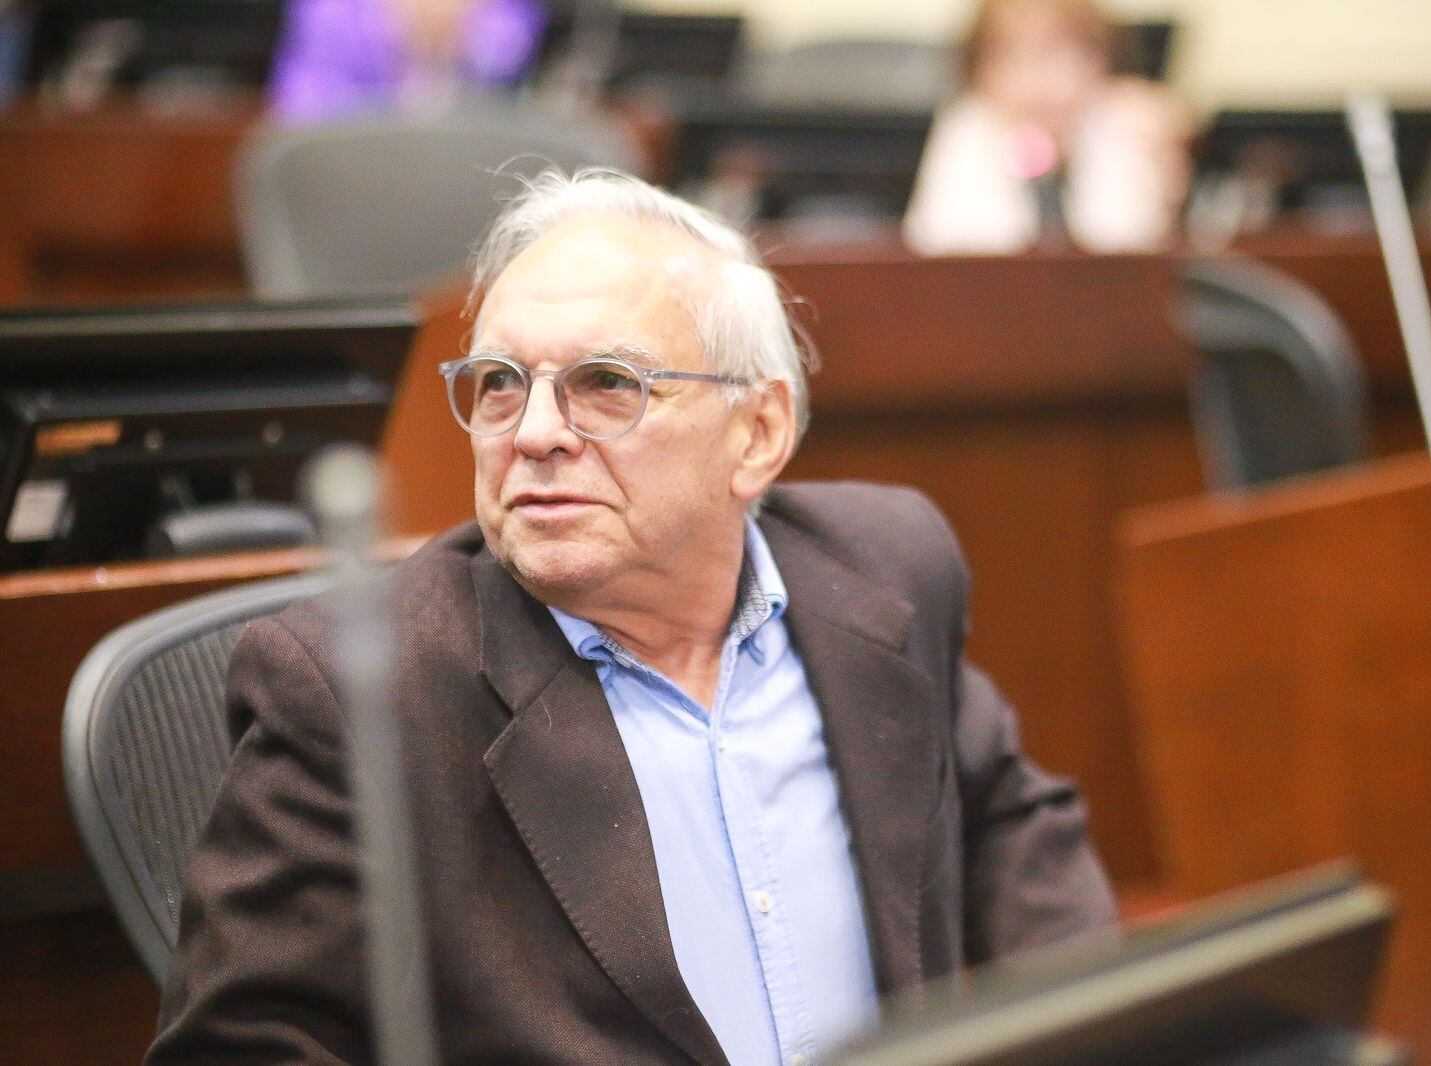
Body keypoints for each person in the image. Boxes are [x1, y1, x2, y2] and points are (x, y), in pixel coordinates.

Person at [146, 169, 1116, 1064]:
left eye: (606, 385)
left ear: (759, 431)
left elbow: (1010, 832)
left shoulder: (885, 568)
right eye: (499, 385)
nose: (532, 435)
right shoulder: (362, 685)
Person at [903, 0, 1190, 255]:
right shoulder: (967, 131)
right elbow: (943, 253)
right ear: (978, 71)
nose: (1039, 82)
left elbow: (1133, 253)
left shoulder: (1123, 123)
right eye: (1014, 56)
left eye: (1061, 55)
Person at [268, 0, 547, 123]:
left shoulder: (506, 15)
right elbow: (302, 120)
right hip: (358, 181)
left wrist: (463, 35)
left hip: (466, 180)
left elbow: (510, 53)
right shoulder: (331, 14)